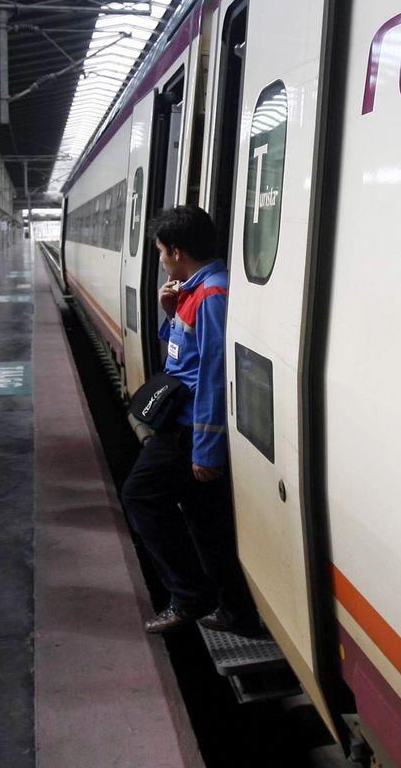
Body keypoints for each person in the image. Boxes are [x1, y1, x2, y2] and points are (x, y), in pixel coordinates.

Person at [121, 206, 259, 635]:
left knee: (141, 496)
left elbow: (215, 378)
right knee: (209, 525)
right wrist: (170, 309)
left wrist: (206, 450)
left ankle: (190, 595)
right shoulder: (196, 290)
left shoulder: (214, 295)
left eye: (161, 251)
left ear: (177, 251)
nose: (160, 258)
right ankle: (237, 613)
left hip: (188, 429)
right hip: (182, 423)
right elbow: (187, 350)